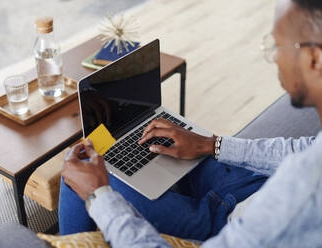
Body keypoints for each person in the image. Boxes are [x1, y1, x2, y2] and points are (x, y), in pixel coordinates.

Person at [59, 0, 322, 246]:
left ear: (315, 59)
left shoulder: (298, 204)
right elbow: (304, 148)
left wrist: (99, 196)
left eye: (278, 45)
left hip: (223, 221)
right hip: (254, 184)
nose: (274, 57)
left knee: (81, 165)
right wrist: (211, 144)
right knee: (135, 141)